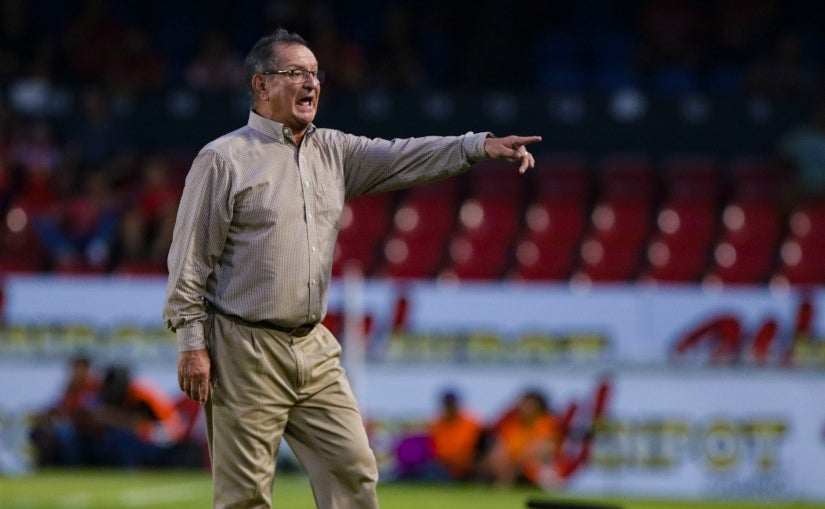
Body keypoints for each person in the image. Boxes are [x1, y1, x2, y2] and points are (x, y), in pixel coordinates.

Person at [162, 27, 541, 509]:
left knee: (355, 472)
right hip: (244, 347)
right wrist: (192, 345)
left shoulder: (334, 152)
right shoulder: (223, 160)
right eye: (295, 73)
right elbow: (188, 262)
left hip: (313, 346)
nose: (311, 84)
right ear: (260, 85)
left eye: (316, 74)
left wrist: (477, 146)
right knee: (245, 497)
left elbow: (405, 155)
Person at [479, 389, 560, 487]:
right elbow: (502, 446)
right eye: (523, 404)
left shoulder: (548, 422)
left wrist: (520, 459)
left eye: (529, 405)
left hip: (535, 466)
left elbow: (546, 449)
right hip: (511, 465)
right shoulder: (511, 423)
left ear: (539, 407)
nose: (525, 408)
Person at [428, 390, 483, 480]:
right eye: (448, 405)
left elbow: (482, 446)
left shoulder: (473, 423)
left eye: (452, 404)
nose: (450, 408)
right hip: (445, 466)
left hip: (470, 465)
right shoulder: (437, 424)